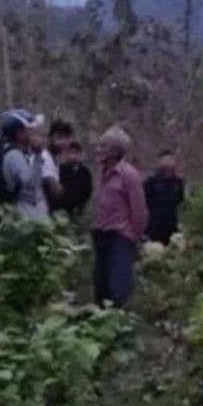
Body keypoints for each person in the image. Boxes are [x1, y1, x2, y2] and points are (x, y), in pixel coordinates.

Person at [91, 126, 147, 308]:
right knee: (101, 286)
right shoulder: (103, 173)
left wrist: (134, 238)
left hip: (120, 236)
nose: (98, 150)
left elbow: (139, 211)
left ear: (115, 152)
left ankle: (119, 320)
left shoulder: (129, 175)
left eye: (102, 146)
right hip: (102, 234)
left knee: (117, 288)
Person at [2, 111, 49, 221]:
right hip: (24, 218)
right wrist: (38, 155)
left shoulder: (21, 153)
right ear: (19, 133)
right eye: (30, 129)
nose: (34, 133)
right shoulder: (14, 156)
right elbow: (31, 184)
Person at [143, 150, 185, 244]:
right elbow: (142, 203)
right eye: (165, 161)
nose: (168, 164)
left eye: (170, 161)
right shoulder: (151, 181)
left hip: (171, 227)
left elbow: (180, 202)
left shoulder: (178, 182)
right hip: (153, 227)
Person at [56, 140, 94, 220]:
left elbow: (88, 189)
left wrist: (82, 203)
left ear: (80, 155)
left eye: (76, 153)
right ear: (66, 155)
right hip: (63, 207)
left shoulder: (85, 171)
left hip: (79, 207)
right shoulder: (61, 170)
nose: (73, 156)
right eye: (70, 153)